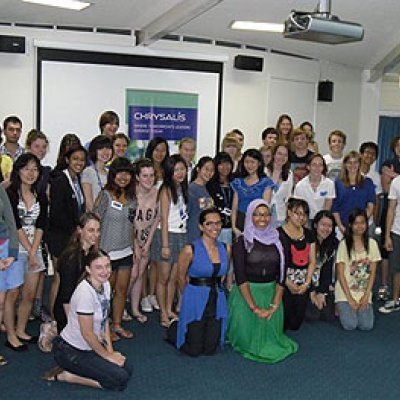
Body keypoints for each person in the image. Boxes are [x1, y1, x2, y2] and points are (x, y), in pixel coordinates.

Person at [43, 250, 132, 390]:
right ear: (88, 269)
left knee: (127, 368)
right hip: (70, 351)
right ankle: (66, 376)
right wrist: (108, 357)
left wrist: (110, 351)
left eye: (107, 266)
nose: (105, 271)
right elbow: (88, 334)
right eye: (99, 267)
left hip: (89, 347)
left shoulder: (106, 285)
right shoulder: (85, 293)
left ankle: (88, 368)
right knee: (119, 380)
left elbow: (104, 322)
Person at [228, 199, 298, 363]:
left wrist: (274, 305)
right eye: (258, 214)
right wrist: (255, 308)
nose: (263, 219)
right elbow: (240, 277)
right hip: (246, 297)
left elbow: (282, 275)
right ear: (250, 216)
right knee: (246, 342)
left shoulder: (280, 240)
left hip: (271, 294)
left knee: (275, 340)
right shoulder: (242, 241)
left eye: (267, 215)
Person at [167, 209, 230, 356]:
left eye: (218, 223)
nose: (215, 227)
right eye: (209, 224)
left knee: (210, 349)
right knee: (194, 350)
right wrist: (188, 297)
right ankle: (174, 327)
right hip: (195, 299)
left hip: (216, 300)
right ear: (201, 226)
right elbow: (180, 277)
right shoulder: (190, 249)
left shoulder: (226, 248)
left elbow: (222, 275)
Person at [5, 154, 48, 349]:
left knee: (29, 294)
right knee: (12, 293)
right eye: (26, 168)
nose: (31, 173)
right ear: (18, 170)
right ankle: (11, 334)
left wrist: (34, 250)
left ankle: (21, 329)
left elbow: (42, 224)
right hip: (14, 249)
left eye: (35, 169)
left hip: (35, 248)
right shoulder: (10, 194)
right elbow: (14, 224)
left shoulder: (41, 194)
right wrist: (29, 250)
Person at [94, 158, 136, 340]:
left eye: (127, 173)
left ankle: (117, 324)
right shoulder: (105, 195)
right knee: (104, 294)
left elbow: (133, 224)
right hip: (106, 253)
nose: (123, 177)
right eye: (120, 172)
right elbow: (94, 222)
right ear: (113, 175)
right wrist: (95, 252)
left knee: (122, 290)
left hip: (126, 250)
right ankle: (103, 328)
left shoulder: (133, 198)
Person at [48, 143, 87, 317]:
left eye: (82, 160)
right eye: (75, 159)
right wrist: (76, 228)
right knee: (59, 278)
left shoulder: (77, 180)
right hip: (60, 238)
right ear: (67, 160)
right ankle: (53, 318)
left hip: (72, 237)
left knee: (67, 279)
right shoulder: (60, 181)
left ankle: (64, 317)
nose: (79, 163)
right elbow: (56, 214)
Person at [150, 155, 188, 327]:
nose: (180, 173)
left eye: (183, 169)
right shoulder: (165, 189)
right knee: (163, 278)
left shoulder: (181, 188)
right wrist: (165, 245)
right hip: (167, 235)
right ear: (169, 171)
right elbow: (163, 219)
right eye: (177, 170)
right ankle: (163, 313)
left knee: (174, 277)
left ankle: (169, 308)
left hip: (181, 234)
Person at [53, 212, 100, 332]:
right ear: (80, 230)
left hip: (83, 305)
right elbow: (66, 297)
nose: (96, 235)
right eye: (91, 230)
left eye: (98, 230)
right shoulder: (71, 259)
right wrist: (73, 326)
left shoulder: (91, 253)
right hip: (68, 311)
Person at [335, 209, 380, 330]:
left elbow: (373, 273)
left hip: (363, 292)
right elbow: (340, 275)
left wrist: (366, 296)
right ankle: (338, 305)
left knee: (366, 326)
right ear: (350, 225)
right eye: (356, 223)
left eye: (362, 222)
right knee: (350, 325)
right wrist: (349, 299)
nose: (360, 226)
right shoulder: (343, 244)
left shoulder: (372, 244)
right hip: (345, 293)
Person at [278, 198, 316, 331]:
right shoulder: (277, 234)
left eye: (304, 214)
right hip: (283, 279)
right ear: (289, 212)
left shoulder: (310, 234)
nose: (301, 217)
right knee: (284, 323)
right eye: (297, 213)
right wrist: (287, 282)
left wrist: (306, 283)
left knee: (295, 324)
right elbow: (276, 262)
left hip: (303, 280)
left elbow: (312, 261)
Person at [130, 159, 159, 323]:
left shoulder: (157, 193)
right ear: (138, 177)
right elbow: (129, 221)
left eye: (152, 176)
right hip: (131, 239)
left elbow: (156, 221)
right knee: (132, 274)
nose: (149, 179)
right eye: (145, 176)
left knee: (141, 273)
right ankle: (115, 307)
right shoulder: (132, 194)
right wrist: (135, 245)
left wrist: (147, 244)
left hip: (146, 239)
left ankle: (134, 309)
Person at [206, 152, 234, 289]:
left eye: (228, 163)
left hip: (232, 227)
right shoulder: (210, 184)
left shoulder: (235, 183)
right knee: (216, 256)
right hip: (215, 228)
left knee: (229, 258)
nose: (225, 167)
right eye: (221, 164)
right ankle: (215, 283)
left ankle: (228, 284)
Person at [332, 151, 375, 238]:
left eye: (355, 162)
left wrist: (360, 224)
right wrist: (341, 226)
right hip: (342, 228)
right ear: (345, 164)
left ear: (360, 164)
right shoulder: (337, 183)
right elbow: (334, 207)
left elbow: (371, 206)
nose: (352, 165)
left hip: (362, 228)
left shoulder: (367, 182)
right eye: (349, 162)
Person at [231, 149, 274, 237]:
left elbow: (265, 208)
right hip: (240, 221)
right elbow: (234, 208)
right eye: (246, 162)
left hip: (258, 222)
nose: (249, 165)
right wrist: (234, 227)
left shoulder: (266, 183)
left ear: (259, 163)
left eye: (253, 162)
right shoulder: (238, 182)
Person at [305, 210, 338, 322]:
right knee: (312, 315)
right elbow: (303, 270)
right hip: (305, 284)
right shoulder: (306, 241)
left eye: (330, 226)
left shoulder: (333, 244)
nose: (326, 229)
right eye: (323, 225)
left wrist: (322, 292)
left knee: (329, 316)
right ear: (315, 225)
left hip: (321, 284)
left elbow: (327, 271)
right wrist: (312, 292)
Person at [0, 185, 19, 362]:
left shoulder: (0, 190)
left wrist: (12, 252)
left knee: (3, 299)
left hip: (5, 247)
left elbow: (11, 221)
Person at [293, 154, 335, 224]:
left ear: (323, 167)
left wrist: (320, 223)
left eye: (320, 165)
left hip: (323, 220)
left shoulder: (329, 184)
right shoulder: (300, 186)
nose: (317, 168)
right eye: (314, 165)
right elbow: (299, 208)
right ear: (308, 167)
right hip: (305, 220)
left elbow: (327, 207)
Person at [379, 170, 400, 313]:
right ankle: (395, 300)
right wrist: (387, 236)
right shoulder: (397, 182)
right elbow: (391, 209)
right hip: (397, 231)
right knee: (397, 268)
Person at [81, 135, 113, 211]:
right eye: (101, 148)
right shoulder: (88, 172)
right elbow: (89, 203)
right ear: (94, 150)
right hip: (94, 218)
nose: (105, 152)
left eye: (108, 148)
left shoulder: (110, 173)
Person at [187, 156, 215, 243]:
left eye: (212, 170)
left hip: (205, 234)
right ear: (198, 169)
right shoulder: (191, 189)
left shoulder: (206, 189)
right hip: (194, 234)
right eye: (206, 169)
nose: (209, 173)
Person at [266, 144, 293, 228]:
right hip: (264, 215)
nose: (282, 157)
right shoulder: (264, 171)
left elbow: (288, 197)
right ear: (274, 154)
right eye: (279, 153)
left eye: (285, 155)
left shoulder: (289, 174)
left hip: (280, 216)